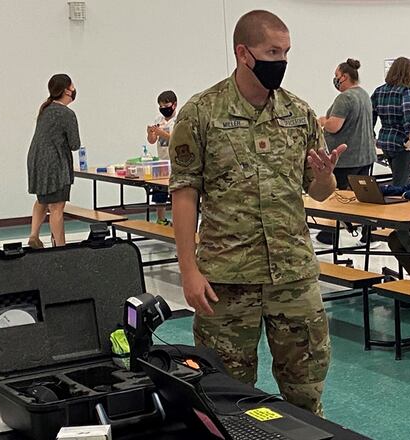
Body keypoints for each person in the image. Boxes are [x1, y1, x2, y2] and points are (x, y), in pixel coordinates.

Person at [168, 10, 347, 416]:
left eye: (286, 52)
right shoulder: (201, 113)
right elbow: (184, 194)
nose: (281, 61)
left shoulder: (299, 114)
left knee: (305, 392)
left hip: (293, 276)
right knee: (224, 395)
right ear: (243, 54)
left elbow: (319, 192)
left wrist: (324, 177)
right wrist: (189, 270)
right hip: (227, 280)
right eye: (272, 51)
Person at [315, 58, 377, 245]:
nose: (334, 80)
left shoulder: (345, 97)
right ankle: (370, 234)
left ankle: (328, 235)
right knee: (364, 198)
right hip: (364, 156)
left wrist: (322, 121)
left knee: (335, 197)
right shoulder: (364, 94)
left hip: (346, 159)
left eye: (336, 76)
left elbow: (334, 126)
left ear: (345, 77)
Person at [27, 74, 80, 248]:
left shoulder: (45, 109)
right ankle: (60, 246)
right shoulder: (67, 114)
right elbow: (74, 144)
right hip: (55, 163)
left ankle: (34, 234)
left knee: (42, 199)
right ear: (66, 90)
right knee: (57, 207)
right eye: (72, 86)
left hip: (36, 159)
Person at [372, 57, 410, 186]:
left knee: (396, 179)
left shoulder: (379, 91)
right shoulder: (406, 92)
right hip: (403, 145)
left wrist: (372, 137)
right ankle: (393, 205)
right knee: (399, 185)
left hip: (386, 143)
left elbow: (370, 116)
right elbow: (408, 114)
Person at [146, 90, 178, 226]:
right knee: (159, 191)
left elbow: (177, 139)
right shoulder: (158, 120)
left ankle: (178, 220)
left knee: (175, 193)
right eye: (161, 107)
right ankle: (161, 219)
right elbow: (152, 141)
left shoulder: (179, 120)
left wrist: (162, 133)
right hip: (162, 160)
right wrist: (151, 133)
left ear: (174, 105)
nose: (163, 109)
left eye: (166, 106)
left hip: (175, 161)